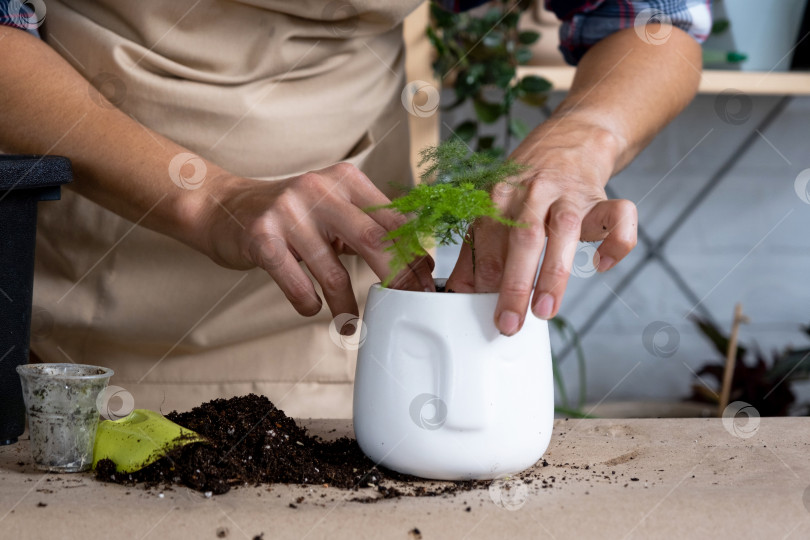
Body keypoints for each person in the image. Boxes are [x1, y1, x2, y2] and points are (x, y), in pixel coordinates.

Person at [0, 0, 710, 417]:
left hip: (347, 315)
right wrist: (210, 196)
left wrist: (579, 139)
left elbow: (654, 20)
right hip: (91, 309)